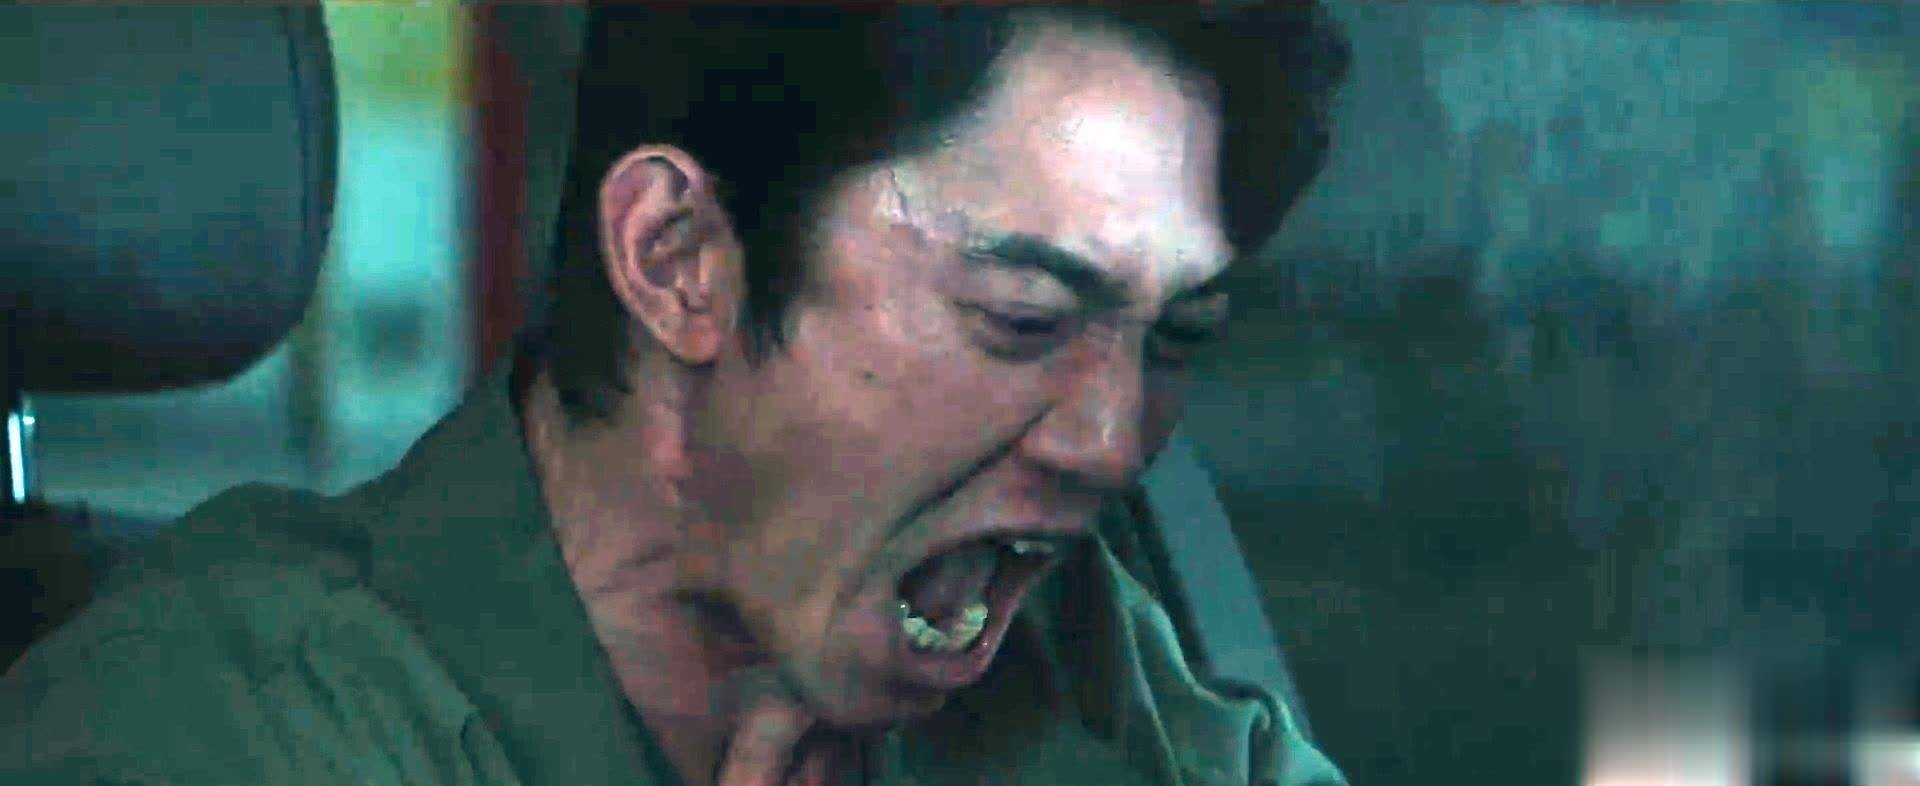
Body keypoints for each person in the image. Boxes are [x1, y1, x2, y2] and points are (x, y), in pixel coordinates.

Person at [2, 5, 1350, 785]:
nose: (1112, 441)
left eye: (1176, 337)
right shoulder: (220, 729)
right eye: (1021, 318)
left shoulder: (1072, 673)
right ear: (679, 257)